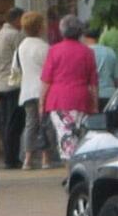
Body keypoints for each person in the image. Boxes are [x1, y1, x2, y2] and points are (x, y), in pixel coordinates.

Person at [41, 15, 98, 161]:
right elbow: (93, 83)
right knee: (79, 136)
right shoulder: (88, 52)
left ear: (62, 30)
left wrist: (41, 102)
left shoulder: (54, 50)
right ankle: (77, 167)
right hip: (81, 99)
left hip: (58, 100)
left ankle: (70, 171)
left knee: (65, 136)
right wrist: (95, 105)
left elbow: (46, 80)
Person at [0, 7, 25, 169]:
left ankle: (8, 156)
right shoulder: (15, 36)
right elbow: (21, 58)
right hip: (14, 83)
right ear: (17, 19)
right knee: (15, 123)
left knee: (5, 121)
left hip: (0, 82)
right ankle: (12, 158)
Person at [16, 11, 51, 170]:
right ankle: (45, 158)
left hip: (27, 90)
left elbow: (15, 69)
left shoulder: (21, 47)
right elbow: (50, 70)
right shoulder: (45, 47)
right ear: (39, 27)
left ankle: (27, 159)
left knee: (30, 124)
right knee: (45, 124)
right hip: (44, 90)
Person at [83, 27, 118, 111]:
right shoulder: (110, 52)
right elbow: (116, 78)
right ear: (99, 37)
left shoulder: (83, 53)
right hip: (109, 96)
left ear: (85, 37)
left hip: (89, 96)